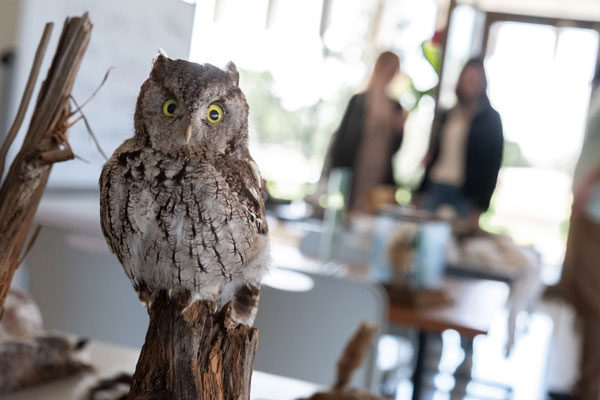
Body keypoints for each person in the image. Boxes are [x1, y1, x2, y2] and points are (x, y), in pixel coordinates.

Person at [547, 66, 600, 400]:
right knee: (582, 297)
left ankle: (591, 385)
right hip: (588, 209)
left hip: (595, 210)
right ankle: (584, 381)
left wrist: (586, 187)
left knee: (593, 299)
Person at [415, 58, 503, 228]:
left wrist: (481, 204)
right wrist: (420, 190)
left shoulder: (490, 120)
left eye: (476, 78)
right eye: (468, 77)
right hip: (437, 186)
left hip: (464, 194)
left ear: (483, 84)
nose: (471, 82)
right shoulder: (448, 114)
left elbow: (492, 164)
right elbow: (435, 154)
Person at [320, 51, 406, 213]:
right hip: (356, 169)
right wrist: (334, 174)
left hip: (379, 172)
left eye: (394, 69)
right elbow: (343, 140)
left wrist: (399, 131)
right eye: (388, 67)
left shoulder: (396, 106)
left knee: (373, 210)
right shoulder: (359, 101)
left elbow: (394, 149)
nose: (390, 72)